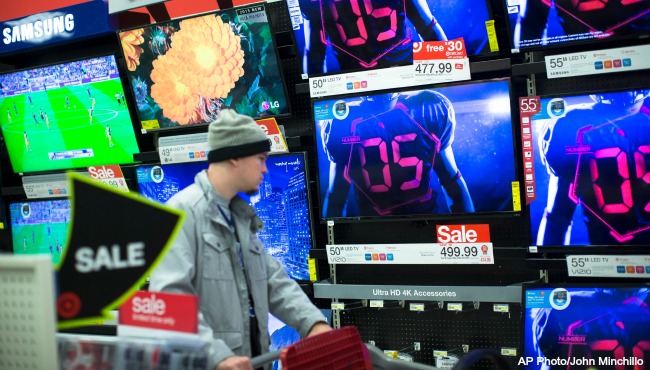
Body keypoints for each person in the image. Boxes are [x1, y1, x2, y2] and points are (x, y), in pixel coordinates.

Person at [149, 109, 331, 370]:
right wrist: (217, 356)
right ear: (234, 157)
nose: (266, 169)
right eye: (260, 159)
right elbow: (169, 301)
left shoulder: (240, 217)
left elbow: (272, 281)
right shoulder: (182, 214)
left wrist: (313, 323)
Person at [321, 90, 474, 218]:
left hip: (420, 224)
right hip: (376, 235)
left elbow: (451, 180)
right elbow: (451, 180)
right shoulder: (428, 108)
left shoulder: (342, 122)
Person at [537, 90, 650, 245]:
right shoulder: (573, 126)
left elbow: (557, 218)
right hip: (606, 256)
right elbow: (558, 217)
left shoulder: (574, 124)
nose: (627, 97)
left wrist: (548, 265)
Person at [301, 0, 447, 75]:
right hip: (363, 82)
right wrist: (449, 71)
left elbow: (314, 55)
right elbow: (429, 28)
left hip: (360, 82)